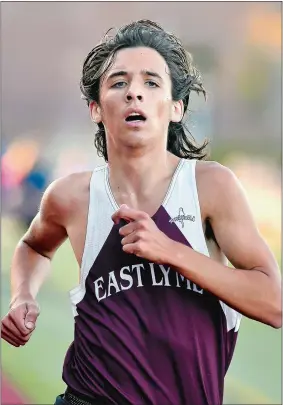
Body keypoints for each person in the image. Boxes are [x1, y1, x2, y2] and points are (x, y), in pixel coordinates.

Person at [1, 20, 281, 405]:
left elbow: (273, 303)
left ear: (176, 108)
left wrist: (171, 251)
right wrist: (22, 297)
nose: (135, 92)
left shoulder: (211, 187)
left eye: (151, 82)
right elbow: (34, 246)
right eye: (118, 83)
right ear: (96, 110)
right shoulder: (72, 196)